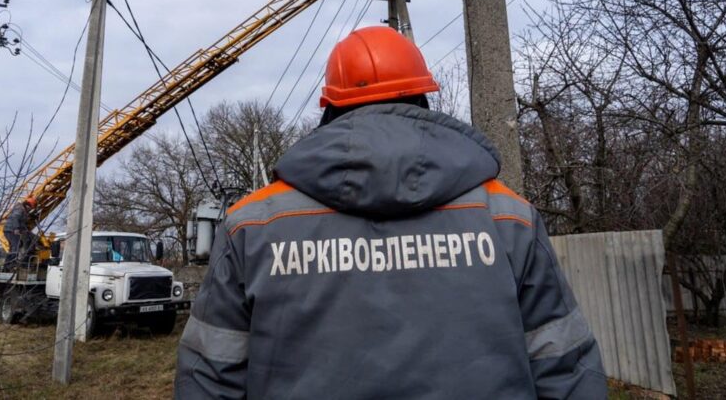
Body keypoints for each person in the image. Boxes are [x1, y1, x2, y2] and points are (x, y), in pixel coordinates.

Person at [175, 27, 607, 399]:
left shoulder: (253, 225)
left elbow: (209, 377)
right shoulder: (509, 218)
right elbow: (567, 369)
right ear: (422, 99)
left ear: (330, 107)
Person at [4, 196, 36, 271]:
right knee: (16, 246)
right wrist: (16, 228)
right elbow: (15, 218)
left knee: (14, 247)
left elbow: (21, 222)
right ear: (28, 205)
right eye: (30, 208)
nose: (30, 210)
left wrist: (25, 230)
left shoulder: (22, 210)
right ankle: (11, 263)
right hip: (11, 230)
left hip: (10, 230)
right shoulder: (20, 209)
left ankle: (8, 264)